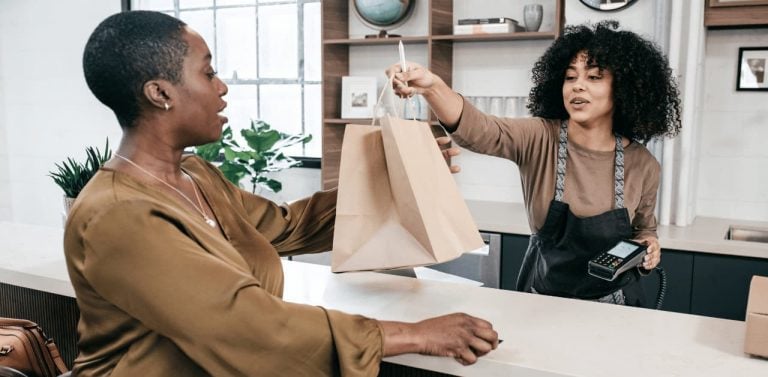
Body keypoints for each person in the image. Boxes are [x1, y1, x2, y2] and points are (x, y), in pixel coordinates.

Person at [65, 10, 498, 377]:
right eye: (208, 72)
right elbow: (246, 325)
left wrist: (401, 173)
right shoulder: (118, 214)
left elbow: (288, 227)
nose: (222, 87)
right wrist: (415, 334)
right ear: (160, 93)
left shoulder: (196, 175)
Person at [388, 20, 682, 306]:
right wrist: (432, 87)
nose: (577, 86)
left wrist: (649, 248)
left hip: (616, 307)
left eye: (593, 77)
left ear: (622, 89)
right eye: (570, 77)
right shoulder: (540, 138)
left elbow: (644, 230)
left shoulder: (643, 165)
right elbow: (480, 130)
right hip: (543, 302)